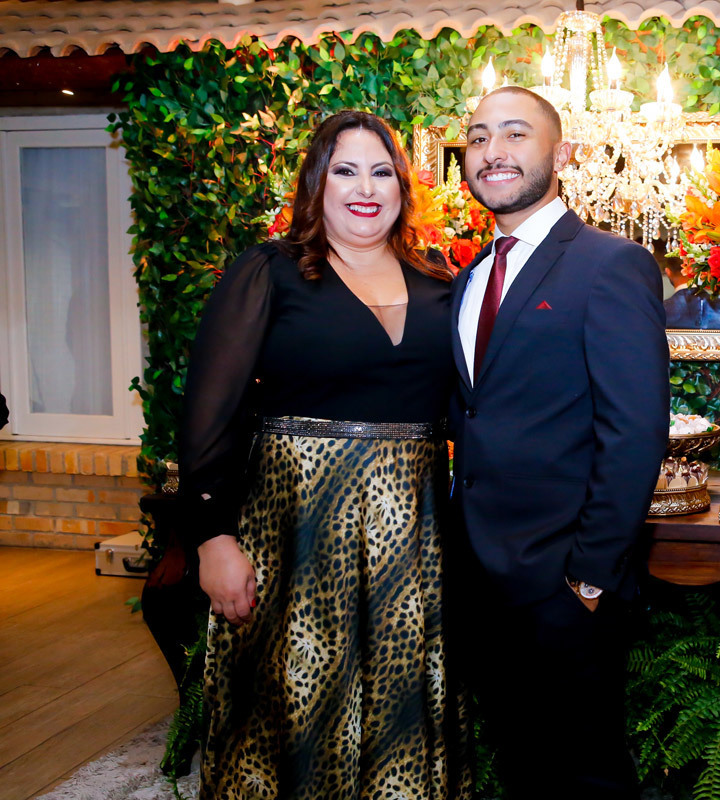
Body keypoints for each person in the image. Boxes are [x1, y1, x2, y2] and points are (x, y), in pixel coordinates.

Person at [179, 110, 467, 800]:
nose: (365, 188)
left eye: (381, 172)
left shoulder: (441, 284)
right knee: (291, 713)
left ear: (401, 188)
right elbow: (208, 414)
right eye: (345, 171)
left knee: (402, 716)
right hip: (296, 539)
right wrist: (213, 538)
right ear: (317, 183)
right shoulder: (270, 272)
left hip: (414, 547)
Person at [448, 86, 669, 799]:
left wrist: (588, 578)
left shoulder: (610, 263)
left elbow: (634, 431)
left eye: (516, 134)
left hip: (566, 583)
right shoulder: (469, 278)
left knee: (588, 774)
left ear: (563, 153)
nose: (493, 151)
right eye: (479, 137)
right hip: (482, 579)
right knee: (522, 767)